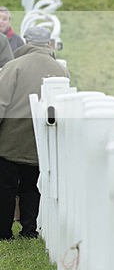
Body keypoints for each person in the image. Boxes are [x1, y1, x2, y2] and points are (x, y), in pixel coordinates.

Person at [0, 26, 69, 240]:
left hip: (11, 139)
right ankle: (29, 230)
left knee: (6, 188)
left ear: (27, 41)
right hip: (42, 141)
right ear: (49, 43)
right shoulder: (61, 70)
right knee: (31, 187)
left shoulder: (14, 66)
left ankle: (3, 232)